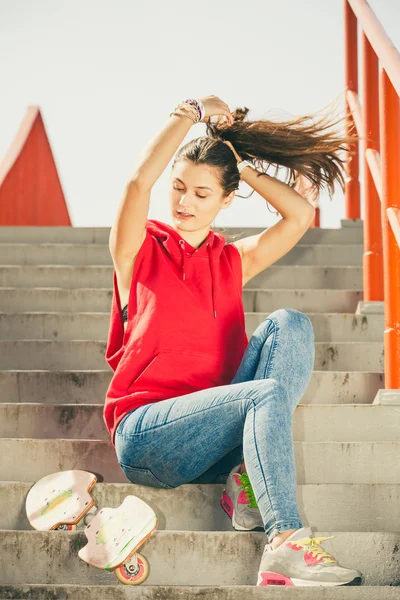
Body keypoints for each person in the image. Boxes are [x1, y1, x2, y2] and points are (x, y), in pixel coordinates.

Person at [104, 95, 363, 587]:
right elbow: (137, 182)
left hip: (216, 432)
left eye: (202, 194)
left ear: (226, 200)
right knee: (264, 394)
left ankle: (246, 474)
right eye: (179, 188)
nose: (184, 202)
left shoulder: (231, 261)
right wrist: (192, 113)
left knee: (291, 323)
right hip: (147, 434)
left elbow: (299, 216)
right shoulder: (138, 251)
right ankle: (284, 540)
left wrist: (242, 165)